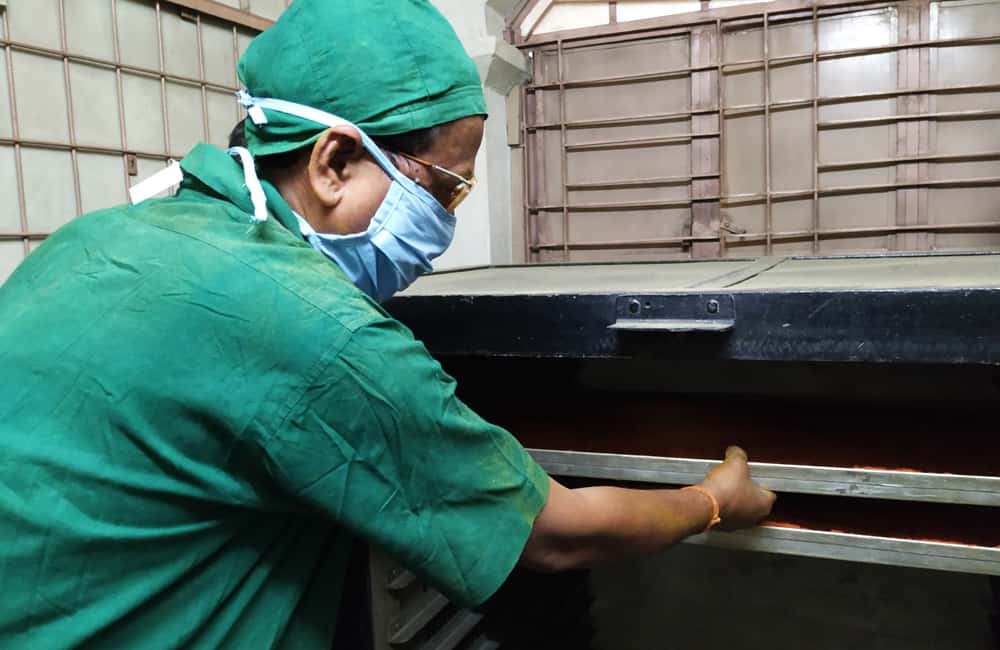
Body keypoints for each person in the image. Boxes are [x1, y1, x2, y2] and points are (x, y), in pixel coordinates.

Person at [0, 1, 775, 647]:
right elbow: (558, 533)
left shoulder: (92, 239)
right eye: (445, 188)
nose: (441, 223)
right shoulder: (314, 330)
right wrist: (712, 500)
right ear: (334, 161)